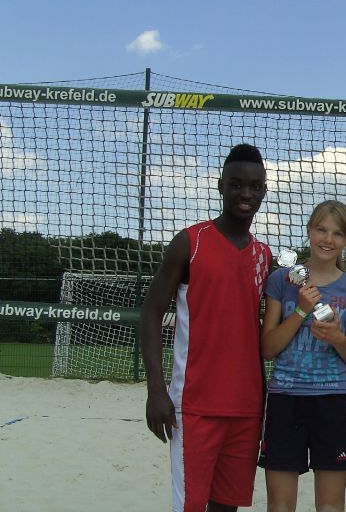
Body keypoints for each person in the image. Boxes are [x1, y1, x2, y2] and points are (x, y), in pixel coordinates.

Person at [140, 143, 272, 512]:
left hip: (247, 406)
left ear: (264, 190)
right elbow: (151, 313)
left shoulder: (264, 255)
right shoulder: (190, 242)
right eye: (236, 184)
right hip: (194, 404)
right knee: (191, 505)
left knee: (227, 505)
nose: (245, 194)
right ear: (220, 186)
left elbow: (295, 302)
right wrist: (156, 390)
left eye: (254, 186)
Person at [259, 200, 346, 512]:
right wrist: (301, 311)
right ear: (309, 231)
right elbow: (268, 349)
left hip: (332, 399)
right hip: (285, 397)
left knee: (331, 505)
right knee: (280, 505)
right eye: (321, 229)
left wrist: (337, 338)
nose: (328, 239)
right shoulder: (282, 280)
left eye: (337, 233)